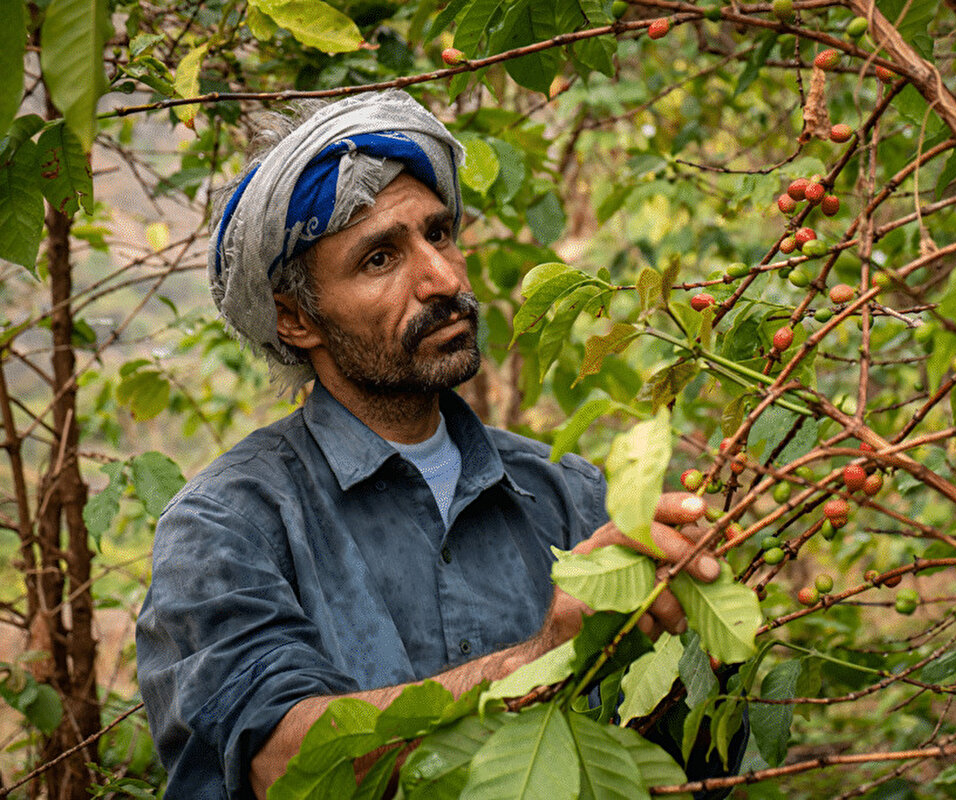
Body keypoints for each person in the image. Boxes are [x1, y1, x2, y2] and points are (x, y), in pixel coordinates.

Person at [134, 89, 720, 800]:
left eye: (438, 235)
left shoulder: (571, 494)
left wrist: (698, 641)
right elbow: (282, 764)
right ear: (296, 319)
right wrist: (541, 659)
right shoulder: (226, 526)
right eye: (380, 259)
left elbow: (687, 757)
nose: (442, 279)